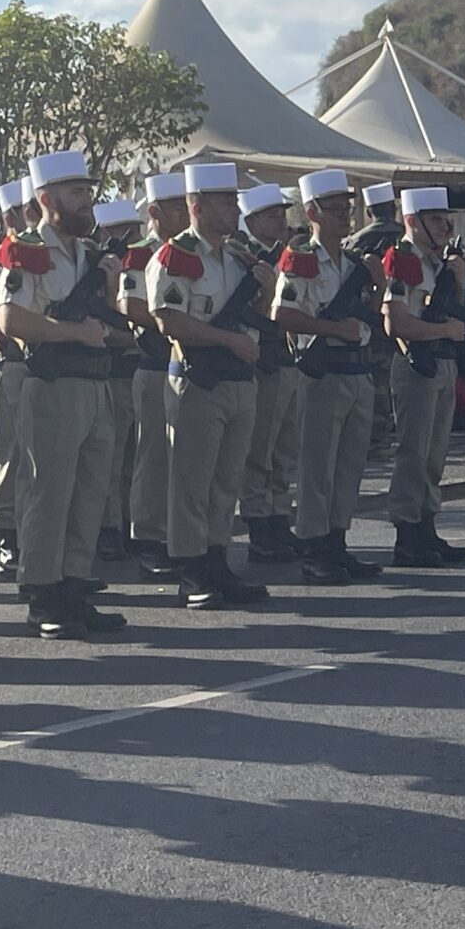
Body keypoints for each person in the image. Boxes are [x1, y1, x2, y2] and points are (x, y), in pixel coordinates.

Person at [0, 150, 129, 639]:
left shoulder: (88, 255)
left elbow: (108, 325)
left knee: (90, 492)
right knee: (48, 493)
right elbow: (10, 319)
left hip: (93, 382)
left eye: (88, 192)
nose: (86, 201)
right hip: (52, 383)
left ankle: (74, 586)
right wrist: (75, 334)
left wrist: (109, 295)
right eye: (75, 193)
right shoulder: (24, 249)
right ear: (46, 199)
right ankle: (42, 592)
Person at [151, 162, 270, 610]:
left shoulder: (236, 256)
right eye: (226, 201)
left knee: (227, 482)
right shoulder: (177, 255)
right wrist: (229, 340)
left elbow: (257, 313)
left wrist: (264, 290)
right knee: (192, 482)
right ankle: (191, 569)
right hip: (200, 379)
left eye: (235, 200)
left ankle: (218, 560)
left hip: (239, 378)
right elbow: (169, 320)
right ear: (197, 205)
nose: (235, 208)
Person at [273, 171, 386, 584]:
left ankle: (337, 541)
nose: (345, 215)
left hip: (357, 369)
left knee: (351, 465)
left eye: (348, 207)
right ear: (312, 211)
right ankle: (314, 546)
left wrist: (379, 285)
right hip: (321, 370)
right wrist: (334, 330)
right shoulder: (300, 259)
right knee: (318, 467)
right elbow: (282, 314)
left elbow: (371, 314)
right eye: (335, 208)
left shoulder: (355, 263)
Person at [382, 187, 465, 568]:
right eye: (435, 219)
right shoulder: (403, 260)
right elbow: (396, 322)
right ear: (412, 221)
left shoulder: (438, 263)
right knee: (413, 452)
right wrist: (443, 333)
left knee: (435, 453)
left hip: (441, 362)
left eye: (445, 219)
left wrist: (458, 279)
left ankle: (426, 525)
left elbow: (457, 315)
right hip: (416, 364)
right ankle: (407, 533)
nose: (444, 226)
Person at [120, 172, 188, 579]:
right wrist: (174, 322)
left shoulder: (193, 251)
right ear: (154, 212)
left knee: (188, 458)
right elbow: (131, 305)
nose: (183, 214)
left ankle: (180, 536)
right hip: (154, 363)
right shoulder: (140, 253)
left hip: (189, 365)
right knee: (155, 456)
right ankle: (148, 535)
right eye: (175, 207)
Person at [233, 183, 304, 565]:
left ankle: (278, 519)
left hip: (284, 357)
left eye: (282, 214)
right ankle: (260, 525)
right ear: (253, 220)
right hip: (261, 360)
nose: (282, 220)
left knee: (283, 449)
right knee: (259, 450)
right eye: (274, 215)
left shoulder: (279, 256)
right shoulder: (245, 259)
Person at [0, 175, 37, 578]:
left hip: (42, 370)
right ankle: (8, 535)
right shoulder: (5, 255)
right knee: (11, 455)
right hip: (13, 365)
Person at [91, 194, 143, 560]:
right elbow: (108, 326)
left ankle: (130, 522)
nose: (131, 238)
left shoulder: (139, 265)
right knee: (110, 459)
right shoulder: (94, 270)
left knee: (136, 461)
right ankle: (108, 526)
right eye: (123, 231)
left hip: (139, 370)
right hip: (114, 372)